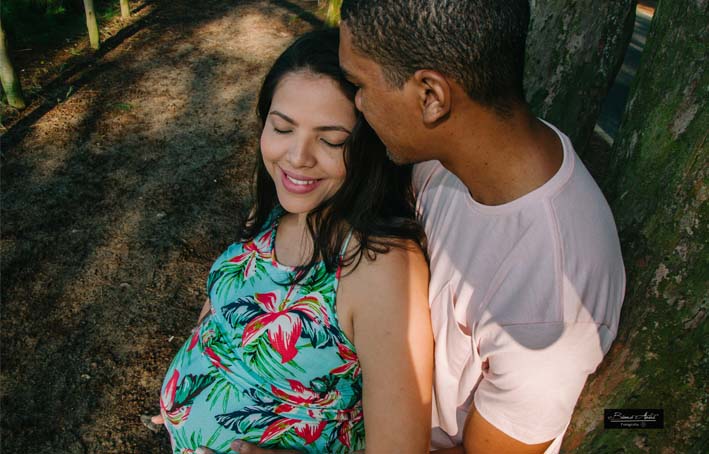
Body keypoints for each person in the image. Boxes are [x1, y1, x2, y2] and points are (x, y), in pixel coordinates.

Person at [219, 1, 626, 453]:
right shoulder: (464, 147)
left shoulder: (549, 305)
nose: (354, 103)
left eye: (358, 85)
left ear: (431, 96)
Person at [152, 28, 433, 454]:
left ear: (368, 147)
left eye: (331, 139)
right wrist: (193, 379)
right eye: (282, 128)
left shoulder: (381, 265)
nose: (297, 157)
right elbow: (228, 298)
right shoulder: (277, 206)